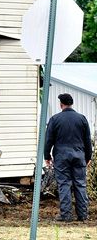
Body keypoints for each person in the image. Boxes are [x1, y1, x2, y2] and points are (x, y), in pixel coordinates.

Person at [45, 93, 92, 222]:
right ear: (72, 104)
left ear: (61, 105)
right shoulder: (82, 119)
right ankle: (83, 215)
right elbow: (87, 140)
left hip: (61, 157)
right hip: (79, 156)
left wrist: (47, 155)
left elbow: (48, 140)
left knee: (64, 184)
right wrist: (88, 157)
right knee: (80, 184)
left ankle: (66, 215)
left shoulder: (55, 119)